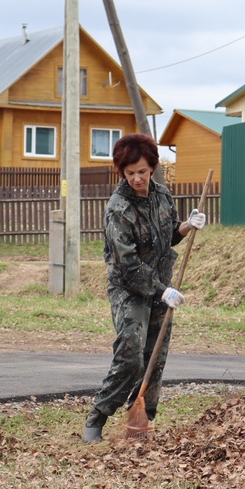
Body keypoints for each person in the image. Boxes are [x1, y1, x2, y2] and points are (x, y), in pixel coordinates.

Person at [82, 133, 206, 443]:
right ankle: (97, 417)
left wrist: (188, 225)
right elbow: (127, 264)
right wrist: (161, 289)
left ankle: (141, 420)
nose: (136, 178)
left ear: (152, 167)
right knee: (132, 353)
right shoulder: (118, 209)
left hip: (162, 286)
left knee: (156, 355)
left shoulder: (163, 196)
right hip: (130, 289)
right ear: (121, 172)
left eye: (142, 171)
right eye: (129, 173)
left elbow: (168, 236)